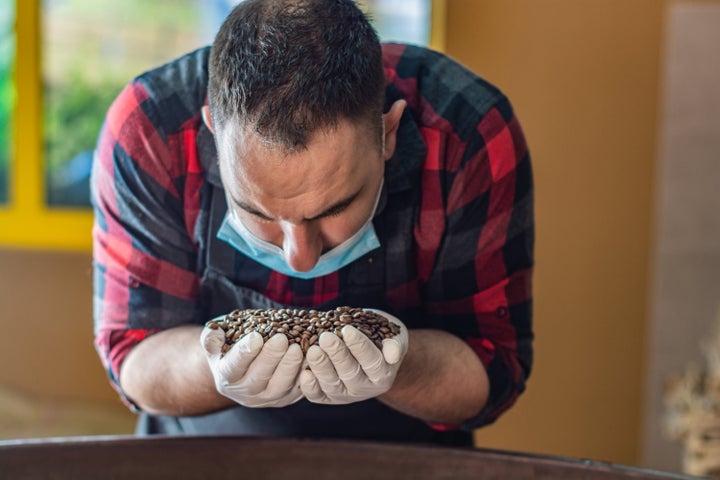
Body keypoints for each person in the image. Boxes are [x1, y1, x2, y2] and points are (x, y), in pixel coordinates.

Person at [91, 0, 534, 446]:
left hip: (401, 455)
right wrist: (216, 367)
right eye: (259, 213)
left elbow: (494, 367)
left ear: (389, 133)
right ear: (212, 132)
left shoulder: (470, 133)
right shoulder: (149, 132)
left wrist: (398, 364)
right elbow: (134, 354)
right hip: (203, 450)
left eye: (333, 210)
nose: (298, 257)